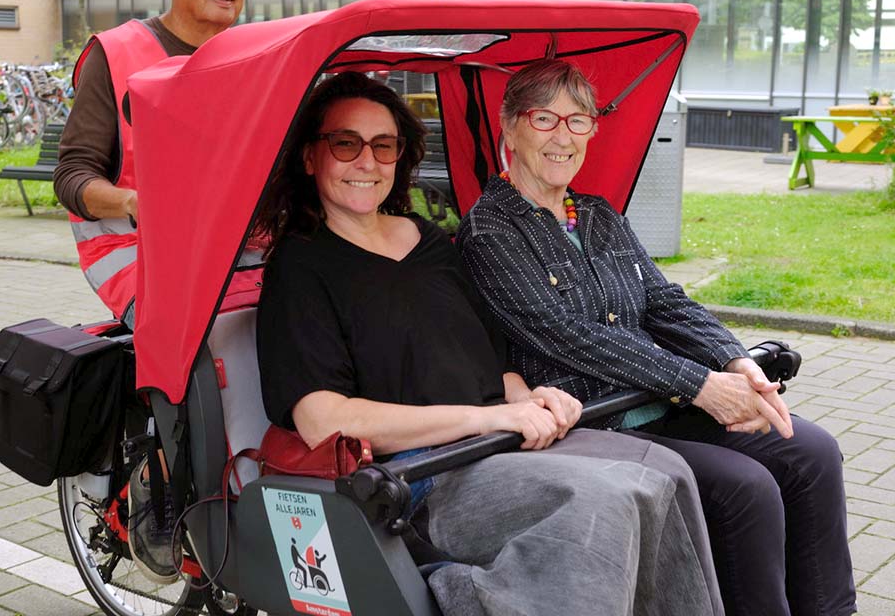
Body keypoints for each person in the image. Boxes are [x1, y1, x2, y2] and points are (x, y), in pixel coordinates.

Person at [255, 72, 725, 616]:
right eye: (345, 143)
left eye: (384, 145)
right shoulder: (299, 267)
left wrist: (524, 397)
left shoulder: (427, 241)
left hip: (498, 442)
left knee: (668, 473)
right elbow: (323, 419)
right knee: (604, 501)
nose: (367, 162)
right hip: (419, 476)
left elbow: (492, 354)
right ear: (311, 158)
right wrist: (487, 420)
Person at [456, 58, 856, 616]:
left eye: (579, 121)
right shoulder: (489, 229)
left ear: (594, 130)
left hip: (662, 401)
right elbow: (566, 335)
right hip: (594, 421)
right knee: (747, 488)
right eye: (544, 118)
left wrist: (735, 361)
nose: (562, 136)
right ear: (509, 125)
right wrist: (699, 384)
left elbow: (663, 301)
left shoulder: (597, 214)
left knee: (812, 451)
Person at [53, 0, 250, 585]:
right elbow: (73, 175)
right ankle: (162, 498)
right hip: (137, 252)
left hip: (235, 251)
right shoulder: (118, 53)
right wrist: (139, 203)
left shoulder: (254, 54)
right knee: (208, 347)